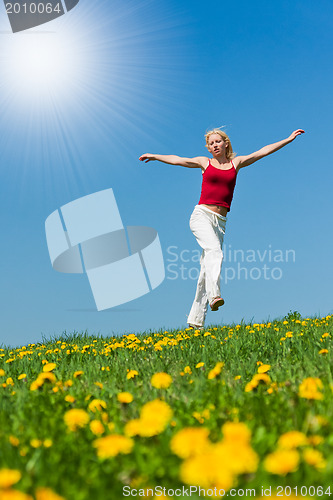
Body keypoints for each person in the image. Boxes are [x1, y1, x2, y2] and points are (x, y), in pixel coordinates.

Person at [139, 127, 305, 329]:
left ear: (226, 143)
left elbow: (263, 151)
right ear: (208, 148)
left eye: (218, 142)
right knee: (214, 251)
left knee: (205, 271)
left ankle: (195, 322)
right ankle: (215, 295)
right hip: (201, 216)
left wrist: (288, 139)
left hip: (221, 222)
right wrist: (155, 156)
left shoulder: (237, 163)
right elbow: (178, 159)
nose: (214, 145)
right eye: (211, 143)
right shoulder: (204, 163)